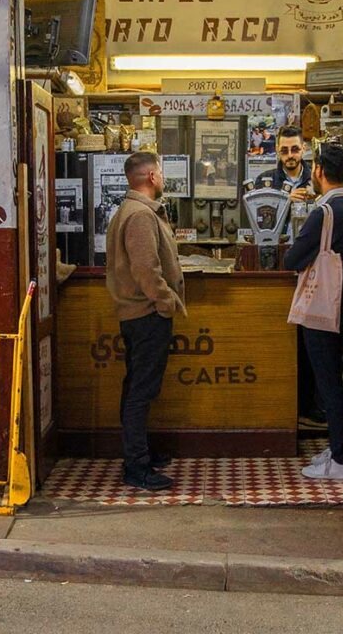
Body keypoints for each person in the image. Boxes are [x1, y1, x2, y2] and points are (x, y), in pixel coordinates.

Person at [106, 152, 186, 491]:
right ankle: (136, 467)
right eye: (162, 173)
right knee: (141, 392)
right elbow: (146, 270)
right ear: (152, 176)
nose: (164, 179)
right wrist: (166, 302)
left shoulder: (135, 211)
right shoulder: (140, 215)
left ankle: (139, 455)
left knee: (138, 388)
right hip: (146, 314)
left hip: (141, 313)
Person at [284, 144, 343, 480]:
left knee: (328, 380)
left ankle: (342, 461)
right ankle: (338, 446)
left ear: (318, 170)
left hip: (324, 305)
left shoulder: (325, 212)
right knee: (334, 376)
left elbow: (293, 259)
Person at [255, 125, 312, 204]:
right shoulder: (264, 179)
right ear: (277, 150)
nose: (290, 155)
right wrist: (285, 201)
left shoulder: (315, 179)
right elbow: (258, 213)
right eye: (284, 150)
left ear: (303, 148)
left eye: (295, 149)